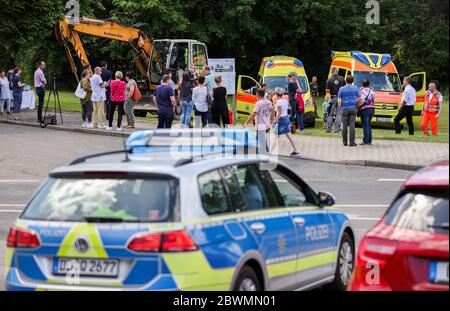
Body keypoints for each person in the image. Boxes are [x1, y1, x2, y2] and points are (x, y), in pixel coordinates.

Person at [243, 88, 275, 154]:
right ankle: (258, 153)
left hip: (261, 124)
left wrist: (246, 122)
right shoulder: (268, 102)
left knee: (261, 140)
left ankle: (265, 154)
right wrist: (272, 119)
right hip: (267, 124)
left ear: (257, 94)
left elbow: (253, 114)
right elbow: (273, 110)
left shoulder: (258, 103)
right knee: (260, 139)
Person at [272, 87, 300, 157]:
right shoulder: (285, 100)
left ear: (276, 94)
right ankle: (296, 151)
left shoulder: (278, 102)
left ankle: (271, 152)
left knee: (276, 137)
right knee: (289, 136)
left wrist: (274, 121)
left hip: (281, 121)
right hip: (286, 119)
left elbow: (279, 113)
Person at [338, 75, 361, 147]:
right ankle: (352, 142)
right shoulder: (356, 88)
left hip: (344, 108)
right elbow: (359, 99)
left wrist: (340, 107)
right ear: (353, 81)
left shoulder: (341, 89)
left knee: (344, 126)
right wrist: (357, 106)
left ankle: (345, 142)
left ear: (346, 80)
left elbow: (339, 100)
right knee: (352, 125)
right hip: (353, 108)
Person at [326, 67, 346, 133]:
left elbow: (328, 91)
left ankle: (328, 128)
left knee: (330, 114)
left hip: (332, 98)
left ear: (332, 72)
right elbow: (344, 89)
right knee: (339, 114)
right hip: (340, 98)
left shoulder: (329, 80)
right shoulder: (342, 78)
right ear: (337, 71)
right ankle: (336, 129)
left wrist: (328, 100)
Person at [359, 79, 375, 145]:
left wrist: (358, 106)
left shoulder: (362, 91)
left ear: (362, 84)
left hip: (365, 109)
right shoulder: (372, 91)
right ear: (369, 84)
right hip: (372, 109)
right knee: (368, 125)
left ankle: (365, 141)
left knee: (365, 126)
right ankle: (369, 140)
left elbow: (362, 101)